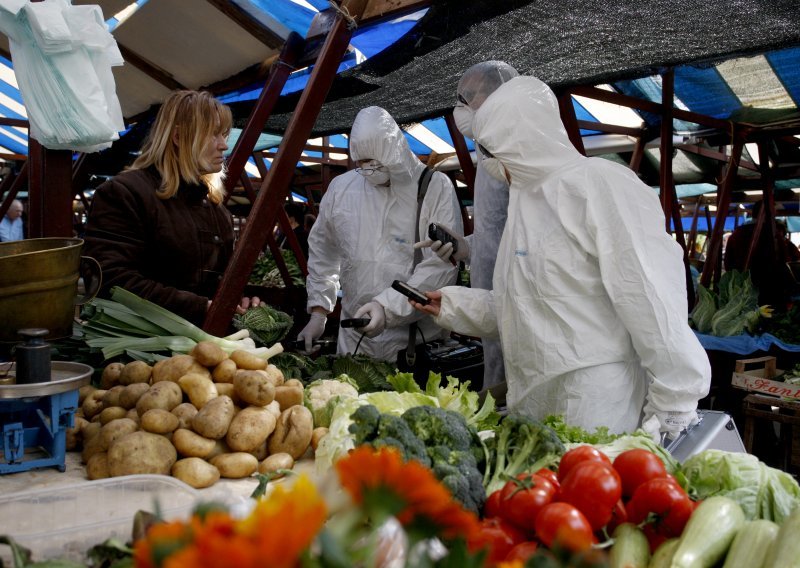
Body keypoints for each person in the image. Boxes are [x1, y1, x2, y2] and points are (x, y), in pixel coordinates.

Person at [411, 76, 711, 439]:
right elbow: (523, 307)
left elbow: (650, 296)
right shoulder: (523, 204)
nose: (488, 161)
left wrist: (676, 396)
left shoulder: (598, 185)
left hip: (596, 403)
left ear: (519, 139)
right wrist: (453, 306)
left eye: (491, 149)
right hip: (533, 401)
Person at [297, 106, 463, 361]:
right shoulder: (342, 189)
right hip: (355, 339)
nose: (370, 171)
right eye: (363, 164)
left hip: (414, 342)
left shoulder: (434, 187)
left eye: (378, 164)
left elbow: (440, 267)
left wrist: (386, 308)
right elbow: (323, 250)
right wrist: (319, 311)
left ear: (397, 152)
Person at [84, 90, 257, 326]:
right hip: (143, 346)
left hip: (202, 346)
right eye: (214, 135)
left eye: (224, 135)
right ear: (178, 137)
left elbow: (219, 282)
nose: (224, 146)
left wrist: (241, 300)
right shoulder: (125, 193)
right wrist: (199, 306)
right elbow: (110, 279)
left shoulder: (216, 209)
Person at [417, 61, 518, 391]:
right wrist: (465, 247)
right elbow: (497, 234)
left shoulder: (520, 158)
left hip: (525, 318)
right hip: (494, 313)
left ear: (499, 96)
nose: (461, 108)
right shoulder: (486, 157)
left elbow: (527, 243)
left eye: (470, 96)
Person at [724, 200, 799, 309]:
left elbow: (728, 265)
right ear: (766, 213)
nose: (775, 216)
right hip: (771, 294)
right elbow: (784, 262)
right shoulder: (774, 235)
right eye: (774, 213)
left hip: (743, 293)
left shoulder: (736, 235)